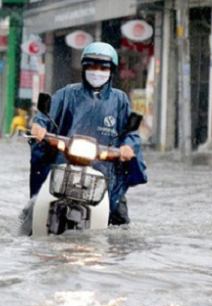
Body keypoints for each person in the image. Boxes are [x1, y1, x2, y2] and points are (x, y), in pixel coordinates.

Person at [29, 41, 147, 225]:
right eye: (92, 66)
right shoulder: (67, 93)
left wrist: (128, 147)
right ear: (84, 68)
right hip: (65, 163)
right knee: (34, 211)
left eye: (103, 67)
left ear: (111, 71)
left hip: (104, 168)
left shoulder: (119, 100)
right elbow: (45, 116)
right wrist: (39, 127)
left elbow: (130, 133)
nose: (97, 71)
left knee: (120, 222)